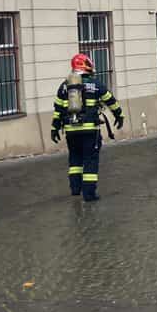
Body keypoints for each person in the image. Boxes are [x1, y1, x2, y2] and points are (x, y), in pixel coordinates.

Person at [51, 53, 124, 202]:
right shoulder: (95, 84)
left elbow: (58, 109)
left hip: (71, 130)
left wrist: (54, 128)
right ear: (87, 66)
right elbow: (111, 101)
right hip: (90, 130)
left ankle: (76, 189)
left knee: (75, 159)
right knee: (90, 160)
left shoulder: (64, 86)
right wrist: (119, 116)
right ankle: (89, 194)